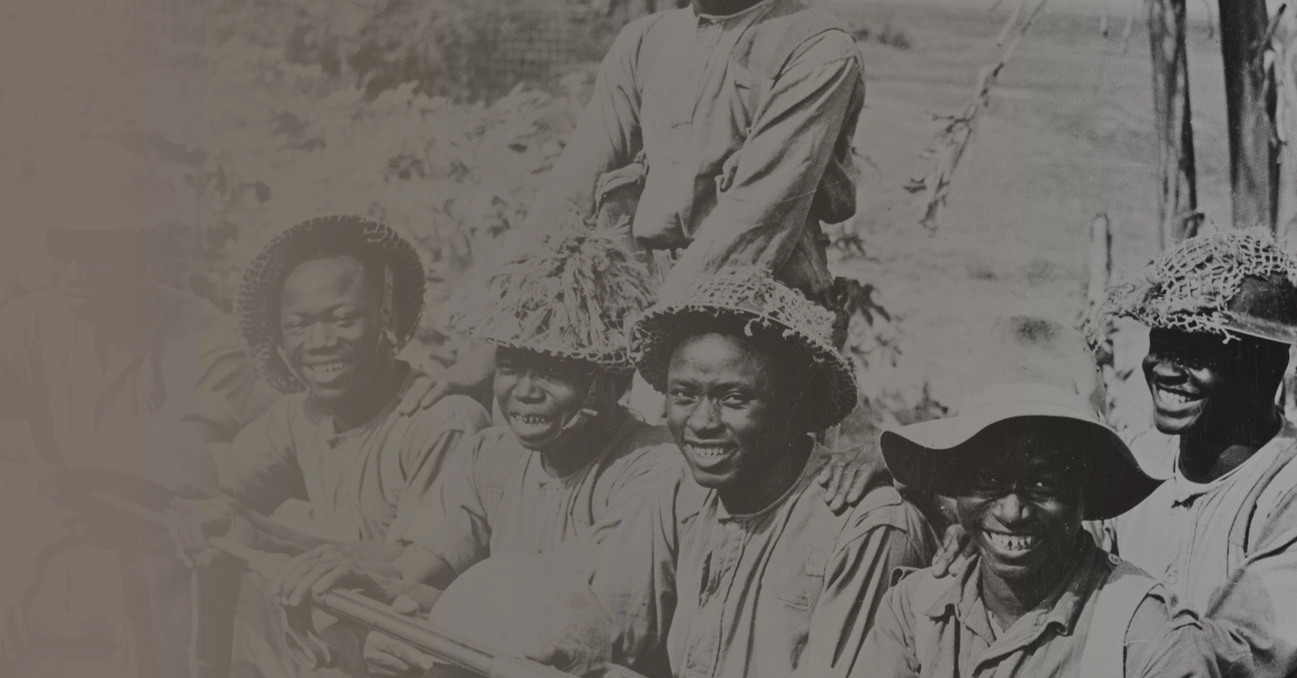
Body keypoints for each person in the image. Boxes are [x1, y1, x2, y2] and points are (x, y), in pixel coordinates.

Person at [266, 217, 691, 678]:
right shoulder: (490, 456)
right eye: (511, 366)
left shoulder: (652, 472)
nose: (525, 390)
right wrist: (383, 599)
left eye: (553, 370)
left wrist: (420, 632)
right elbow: (418, 573)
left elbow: (580, 641)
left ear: (611, 376)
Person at [521, 0, 863, 305]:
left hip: (756, 313)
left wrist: (657, 344)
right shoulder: (645, 42)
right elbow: (572, 187)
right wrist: (509, 306)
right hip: (642, 296)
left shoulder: (814, 47)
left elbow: (754, 224)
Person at [170, 215, 489, 677]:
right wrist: (200, 510)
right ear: (279, 339)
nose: (319, 343)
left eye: (342, 319)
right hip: (337, 645)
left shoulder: (442, 421)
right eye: (298, 326)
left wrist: (263, 535)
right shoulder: (300, 415)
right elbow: (223, 492)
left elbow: (411, 573)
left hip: (415, 654)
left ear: (387, 320)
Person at [0, 139, 260, 678]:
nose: (74, 270)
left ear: (141, 248)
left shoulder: (197, 331)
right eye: (62, 246)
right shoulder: (28, 325)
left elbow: (179, 466)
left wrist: (38, 548)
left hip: (172, 546)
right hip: (69, 546)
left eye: (96, 250)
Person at [598, 269, 935, 678]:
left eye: (734, 398)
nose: (702, 421)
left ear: (794, 401)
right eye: (683, 395)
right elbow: (613, 639)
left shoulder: (864, 527)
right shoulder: (676, 495)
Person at [1089, 228, 1297, 678]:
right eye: (1162, 344)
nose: (1166, 369)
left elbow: (1226, 658)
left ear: (1266, 369)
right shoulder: (1130, 459)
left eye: (1198, 352)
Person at [859, 371, 1220, 678]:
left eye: (1043, 484)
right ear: (958, 489)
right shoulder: (915, 608)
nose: (1012, 512)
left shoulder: (1147, 637)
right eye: (987, 481)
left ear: (1085, 493)